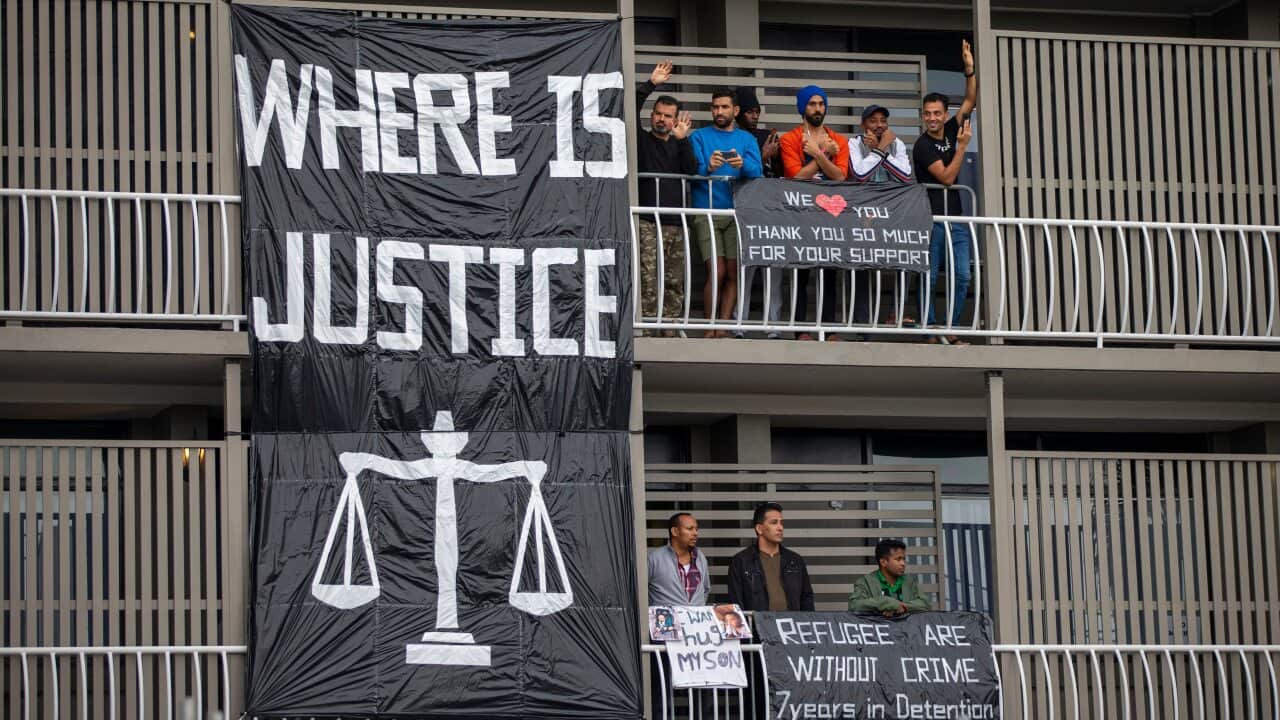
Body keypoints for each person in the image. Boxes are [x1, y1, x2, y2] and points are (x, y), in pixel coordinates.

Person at [912, 40, 978, 346]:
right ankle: (929, 329)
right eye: (928, 114)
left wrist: (969, 70)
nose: (933, 118)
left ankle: (950, 328)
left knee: (962, 275)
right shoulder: (922, 145)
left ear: (944, 113)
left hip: (957, 220)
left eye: (937, 113)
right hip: (933, 219)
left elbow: (970, 100)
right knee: (929, 275)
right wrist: (962, 148)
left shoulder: (952, 127)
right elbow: (948, 178)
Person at [689, 89, 763, 337]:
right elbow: (691, 170)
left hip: (736, 213)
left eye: (723, 107)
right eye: (715, 107)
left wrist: (743, 165)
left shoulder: (746, 139)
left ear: (735, 111)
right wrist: (707, 166)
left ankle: (722, 325)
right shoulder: (699, 136)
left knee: (733, 271)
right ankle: (709, 326)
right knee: (716, 270)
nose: (718, 112)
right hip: (706, 211)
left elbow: (758, 172)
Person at [780, 86, 850, 341]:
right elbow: (796, 177)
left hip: (831, 215)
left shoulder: (838, 140)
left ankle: (829, 329)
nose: (818, 108)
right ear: (802, 108)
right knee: (800, 272)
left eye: (821, 103)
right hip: (800, 213)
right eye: (812, 104)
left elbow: (840, 177)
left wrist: (820, 153)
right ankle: (800, 331)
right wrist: (824, 157)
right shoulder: (789, 139)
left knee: (830, 271)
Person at [636, 60, 697, 336]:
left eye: (667, 115)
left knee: (674, 278)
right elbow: (629, 108)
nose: (661, 119)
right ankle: (648, 327)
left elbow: (692, 170)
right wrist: (651, 84)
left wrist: (683, 140)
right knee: (648, 278)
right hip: (648, 220)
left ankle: (670, 327)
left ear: (676, 120)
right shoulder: (642, 140)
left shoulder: (681, 143)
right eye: (658, 114)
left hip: (676, 221)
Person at [848, 104, 914, 331]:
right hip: (863, 215)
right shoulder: (854, 143)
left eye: (882, 121)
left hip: (893, 212)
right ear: (863, 124)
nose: (879, 125)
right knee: (863, 265)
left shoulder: (897, 144)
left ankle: (897, 312)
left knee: (904, 258)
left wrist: (881, 150)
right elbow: (860, 174)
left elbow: (905, 176)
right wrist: (880, 150)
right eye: (873, 121)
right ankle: (863, 323)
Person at [733, 85, 783, 339]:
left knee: (773, 266)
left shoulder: (767, 135)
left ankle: (773, 324)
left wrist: (771, 157)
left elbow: (782, 172)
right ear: (738, 111)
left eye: (757, 111)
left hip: (770, 209)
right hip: (744, 208)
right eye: (750, 112)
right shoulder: (735, 136)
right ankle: (738, 322)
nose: (755, 116)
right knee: (746, 267)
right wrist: (761, 158)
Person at [726, 502, 815, 611]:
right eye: (774, 523)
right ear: (759, 529)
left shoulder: (795, 561)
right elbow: (736, 603)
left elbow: (807, 599)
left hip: (791, 625)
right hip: (758, 626)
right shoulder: (741, 561)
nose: (780, 528)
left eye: (781, 523)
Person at [848, 538, 931, 616]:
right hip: (878, 630)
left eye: (903, 559)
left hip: (906, 631)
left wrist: (903, 606)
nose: (903, 563)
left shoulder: (909, 581)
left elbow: (926, 604)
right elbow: (854, 605)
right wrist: (885, 603)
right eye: (898, 559)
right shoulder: (865, 582)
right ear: (883, 562)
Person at [648, 512, 709, 606]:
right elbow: (641, 594)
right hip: (667, 619)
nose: (695, 533)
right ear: (675, 531)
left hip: (694, 620)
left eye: (696, 529)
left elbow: (705, 590)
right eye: (690, 529)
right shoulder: (655, 559)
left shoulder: (700, 557)